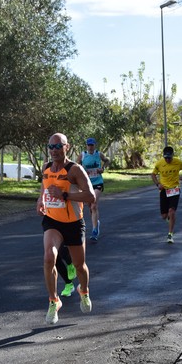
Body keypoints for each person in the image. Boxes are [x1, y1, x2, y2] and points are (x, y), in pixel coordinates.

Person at [37, 132, 96, 325]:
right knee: (48, 257)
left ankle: (84, 290)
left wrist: (65, 195)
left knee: (80, 266)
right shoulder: (46, 167)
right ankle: (54, 301)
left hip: (73, 223)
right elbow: (43, 190)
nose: (54, 150)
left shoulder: (75, 170)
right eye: (51, 147)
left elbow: (90, 197)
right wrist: (40, 201)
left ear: (67, 147)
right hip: (52, 221)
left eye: (58, 146)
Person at [151, 145, 182, 244]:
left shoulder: (178, 162)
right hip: (164, 190)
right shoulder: (160, 163)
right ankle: (170, 219)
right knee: (164, 216)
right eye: (166, 158)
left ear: (172, 155)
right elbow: (153, 174)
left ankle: (170, 234)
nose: (167, 160)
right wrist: (158, 184)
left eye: (169, 158)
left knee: (172, 211)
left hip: (174, 189)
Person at [77, 137, 109, 241]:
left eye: (92, 145)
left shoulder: (98, 154)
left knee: (94, 205)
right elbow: (76, 166)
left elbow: (107, 160)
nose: (90, 147)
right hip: (86, 184)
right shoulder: (82, 155)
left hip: (98, 182)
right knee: (90, 206)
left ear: (95, 145)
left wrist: (103, 169)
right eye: (89, 145)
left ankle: (95, 230)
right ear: (86, 145)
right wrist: (82, 172)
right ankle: (96, 222)